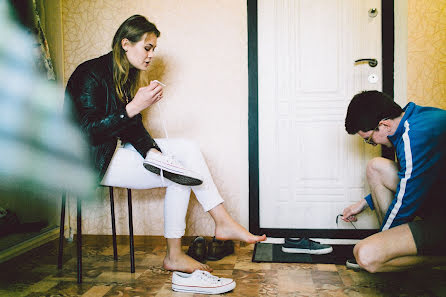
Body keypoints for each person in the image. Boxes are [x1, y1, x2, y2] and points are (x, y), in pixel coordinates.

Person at [65, 14, 266, 274]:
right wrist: (133, 107)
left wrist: (153, 153)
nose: (150, 55)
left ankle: (222, 221)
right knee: (177, 174)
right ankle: (175, 255)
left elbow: (131, 128)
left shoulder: (125, 75)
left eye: (153, 49)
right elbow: (87, 133)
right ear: (126, 43)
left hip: (112, 150)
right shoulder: (89, 74)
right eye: (147, 48)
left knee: (187, 150)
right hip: (88, 158)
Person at [342, 90, 446, 272]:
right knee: (376, 167)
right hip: (440, 204)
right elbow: (413, 180)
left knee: (366, 255)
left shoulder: (413, 136)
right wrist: (364, 203)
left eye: (370, 140)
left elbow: (406, 200)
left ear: (384, 125)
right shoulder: (418, 119)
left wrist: (381, 244)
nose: (374, 144)